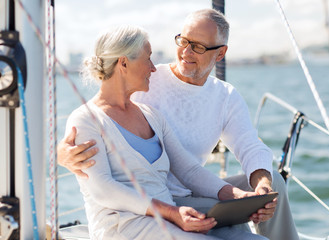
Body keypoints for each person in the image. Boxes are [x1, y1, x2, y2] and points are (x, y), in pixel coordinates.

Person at [59, 9, 299, 240]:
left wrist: (242, 195)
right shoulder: (143, 85)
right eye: (183, 41)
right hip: (144, 212)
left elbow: (203, 165)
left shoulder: (214, 98)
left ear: (220, 53)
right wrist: (60, 155)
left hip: (183, 199)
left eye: (198, 46)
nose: (186, 52)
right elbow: (93, 140)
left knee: (267, 195)